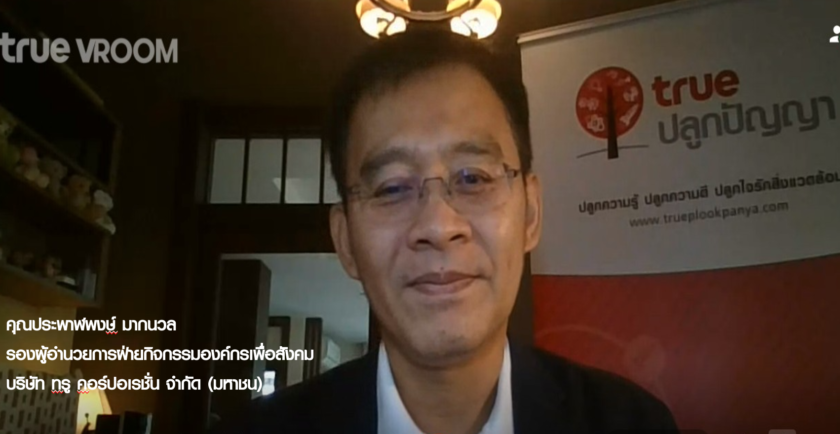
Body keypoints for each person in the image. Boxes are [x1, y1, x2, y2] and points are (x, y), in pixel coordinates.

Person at [215, 29, 678, 434]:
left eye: (473, 178)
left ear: (531, 213)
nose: (438, 226)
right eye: (392, 188)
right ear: (345, 241)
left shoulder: (630, 423)